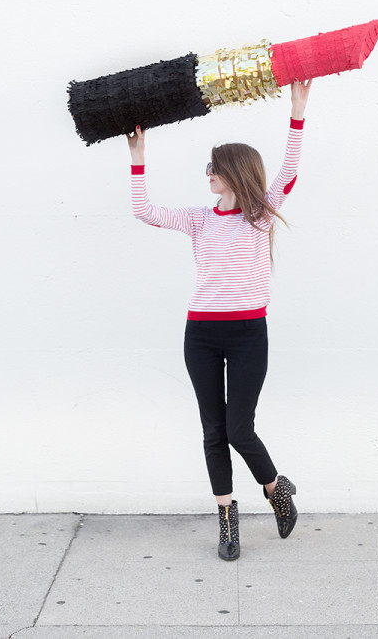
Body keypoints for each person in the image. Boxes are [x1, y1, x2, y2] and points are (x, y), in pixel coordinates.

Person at [126, 78, 312, 560]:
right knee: (212, 429)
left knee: (238, 428)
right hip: (201, 335)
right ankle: (228, 520)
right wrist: (138, 158)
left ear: (233, 172)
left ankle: (275, 489)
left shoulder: (260, 216)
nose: (207, 173)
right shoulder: (197, 218)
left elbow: (290, 170)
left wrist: (297, 110)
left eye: (214, 167)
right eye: (207, 167)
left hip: (249, 334)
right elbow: (143, 210)